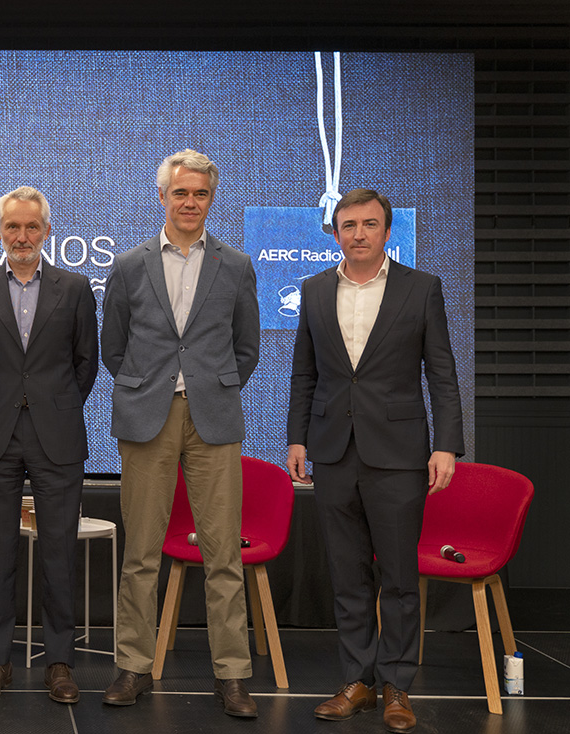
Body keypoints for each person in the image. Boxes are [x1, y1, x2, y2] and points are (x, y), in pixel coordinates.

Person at [286, 188, 464, 734]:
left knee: (400, 578)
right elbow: (304, 374)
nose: (358, 233)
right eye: (348, 225)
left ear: (388, 232)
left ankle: (397, 687)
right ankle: (357, 682)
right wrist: (296, 440)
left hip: (399, 455)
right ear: (334, 233)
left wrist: (446, 445)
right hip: (333, 450)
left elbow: (442, 373)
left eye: (369, 224)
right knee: (348, 577)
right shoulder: (315, 290)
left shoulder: (422, 288)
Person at [100, 150, 260, 716]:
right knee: (141, 552)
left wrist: (210, 385)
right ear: (162, 196)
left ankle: (233, 676)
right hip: (148, 418)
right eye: (181, 193)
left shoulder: (236, 265)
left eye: (201, 195)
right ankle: (133, 667)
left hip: (213, 419)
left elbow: (247, 349)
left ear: (210, 200)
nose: (190, 203)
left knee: (223, 555)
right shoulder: (128, 264)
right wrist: (151, 387)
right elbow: (112, 349)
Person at [0, 186, 98, 704]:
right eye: (12, 227)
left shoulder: (76, 287)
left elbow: (85, 362)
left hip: (57, 436)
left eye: (32, 227)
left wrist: (52, 404)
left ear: (46, 231)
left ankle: (59, 662)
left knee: (59, 554)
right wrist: (8, 403)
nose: (22, 236)